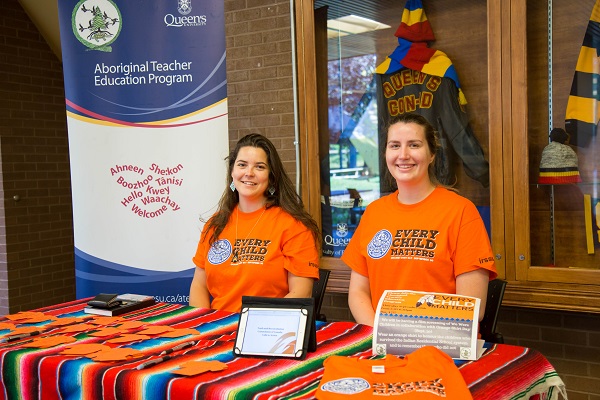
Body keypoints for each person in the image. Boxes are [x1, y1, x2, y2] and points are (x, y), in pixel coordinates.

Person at [342, 113, 497, 326]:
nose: (403, 155)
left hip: (443, 344)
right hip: (381, 343)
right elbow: (358, 292)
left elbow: (472, 306)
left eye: (414, 145)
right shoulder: (374, 213)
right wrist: (378, 336)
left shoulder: (461, 211)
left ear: (432, 154)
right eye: (394, 145)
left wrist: (411, 335)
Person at [189, 133, 320, 313]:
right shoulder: (215, 224)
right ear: (232, 172)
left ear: (271, 177)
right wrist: (204, 324)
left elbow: (301, 293)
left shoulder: (293, 226)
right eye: (242, 165)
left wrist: (252, 328)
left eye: (259, 167)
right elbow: (199, 286)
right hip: (218, 328)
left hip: (267, 331)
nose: (249, 173)